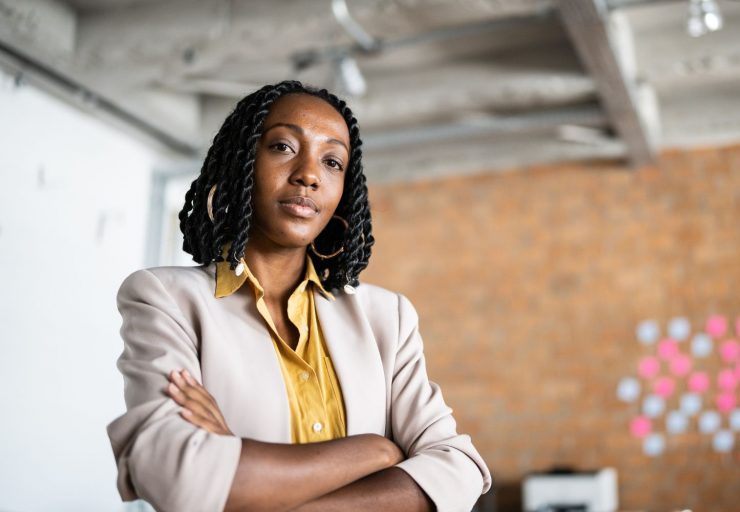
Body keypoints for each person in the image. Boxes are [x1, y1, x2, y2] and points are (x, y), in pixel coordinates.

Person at [106, 80, 491, 512]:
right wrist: (375, 452)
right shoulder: (166, 300)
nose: (309, 174)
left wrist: (250, 477)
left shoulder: (388, 319)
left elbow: (459, 470)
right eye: (283, 147)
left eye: (331, 161)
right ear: (243, 163)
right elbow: (175, 475)